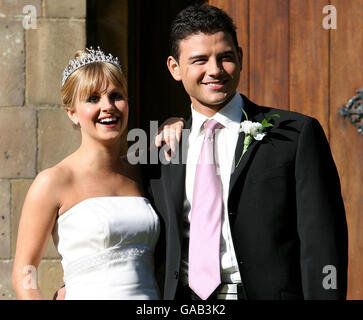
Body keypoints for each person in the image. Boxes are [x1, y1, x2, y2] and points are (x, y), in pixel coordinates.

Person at [146, 4, 348, 300]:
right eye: (199, 60)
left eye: (225, 57)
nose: (214, 70)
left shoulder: (296, 134)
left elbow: (323, 241)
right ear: (174, 68)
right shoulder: (160, 149)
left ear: (239, 57)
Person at [11, 47, 183, 300]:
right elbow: (23, 273)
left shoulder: (143, 170)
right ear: (72, 113)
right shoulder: (53, 181)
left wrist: (175, 122)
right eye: (93, 99)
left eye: (116, 96)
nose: (108, 107)